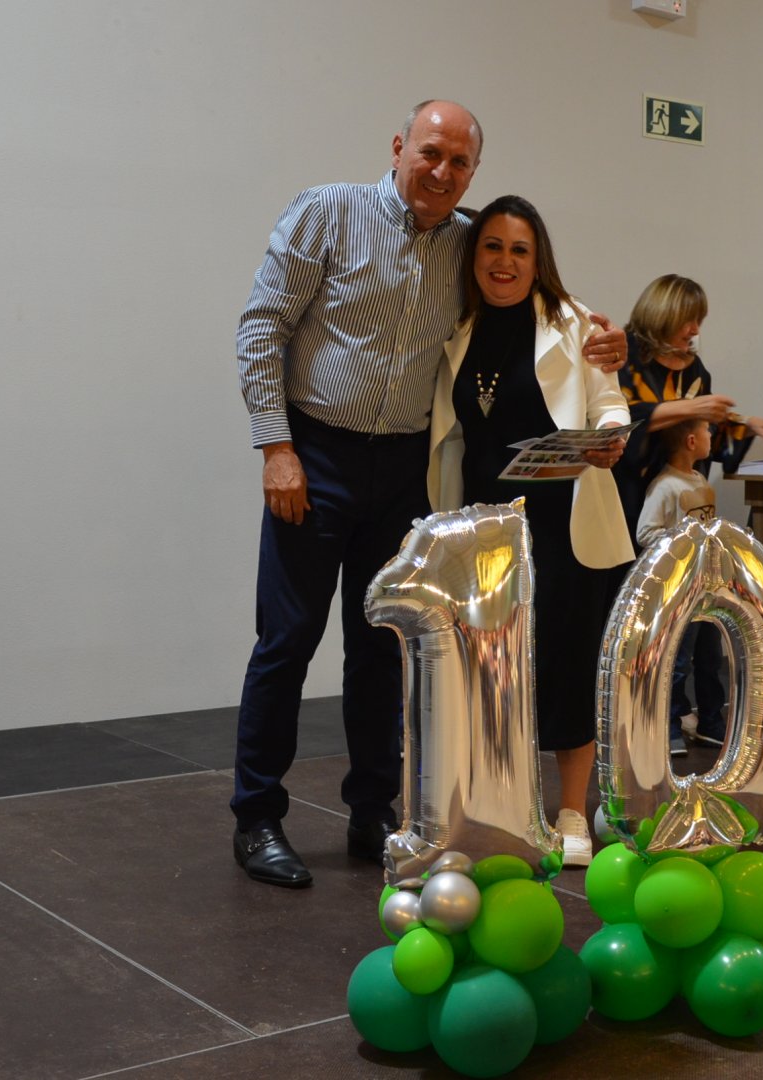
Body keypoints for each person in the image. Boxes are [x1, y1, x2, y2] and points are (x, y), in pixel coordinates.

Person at [232, 102, 627, 888]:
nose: (442, 173)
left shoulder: (468, 243)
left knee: (384, 645)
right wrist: (276, 448)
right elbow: (260, 327)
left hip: (405, 469)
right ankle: (258, 816)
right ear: (399, 147)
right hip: (315, 457)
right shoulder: (327, 212)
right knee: (288, 639)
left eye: (459, 163)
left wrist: (615, 342)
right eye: (430, 153)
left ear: (473, 173)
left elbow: (542, 297)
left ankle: (371, 810)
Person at [427, 194, 631, 868]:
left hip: (560, 525)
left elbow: (609, 406)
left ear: (538, 261)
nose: (505, 262)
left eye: (520, 250)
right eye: (492, 247)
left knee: (568, 661)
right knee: (491, 671)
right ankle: (504, 804)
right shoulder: (455, 326)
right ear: (473, 256)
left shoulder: (577, 324)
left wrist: (611, 438)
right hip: (482, 529)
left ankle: (571, 810)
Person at [614, 275, 763, 746]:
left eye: (699, 321)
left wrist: (747, 424)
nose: (694, 330)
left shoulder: (694, 367)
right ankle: (638, 712)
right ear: (665, 314)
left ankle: (693, 714)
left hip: (675, 494)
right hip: (628, 492)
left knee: (694, 627)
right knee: (638, 611)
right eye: (689, 320)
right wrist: (691, 407)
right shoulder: (627, 356)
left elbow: (698, 428)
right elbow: (623, 422)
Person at [635, 418, 718, 752]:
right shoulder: (665, 486)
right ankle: (668, 728)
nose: (712, 435)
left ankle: (711, 722)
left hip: (706, 583)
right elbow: (645, 533)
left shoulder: (699, 480)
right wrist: (684, 540)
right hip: (680, 587)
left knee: (710, 659)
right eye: (707, 430)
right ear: (691, 441)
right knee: (678, 660)